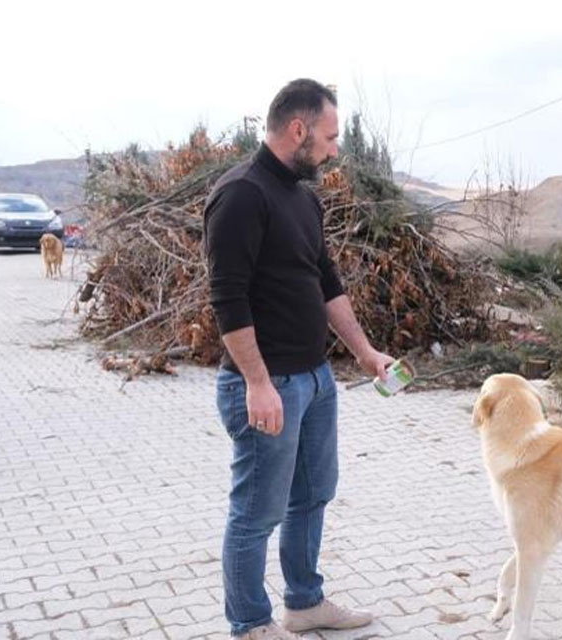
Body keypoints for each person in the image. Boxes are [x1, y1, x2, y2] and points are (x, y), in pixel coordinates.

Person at [205, 78, 394, 640]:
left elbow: (327, 283)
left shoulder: (303, 197)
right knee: (257, 511)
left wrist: (364, 354)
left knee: (312, 495)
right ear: (297, 129)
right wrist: (257, 383)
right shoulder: (240, 194)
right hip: (267, 386)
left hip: (314, 380)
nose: (336, 149)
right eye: (330, 137)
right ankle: (250, 623)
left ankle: (304, 603)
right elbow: (227, 298)